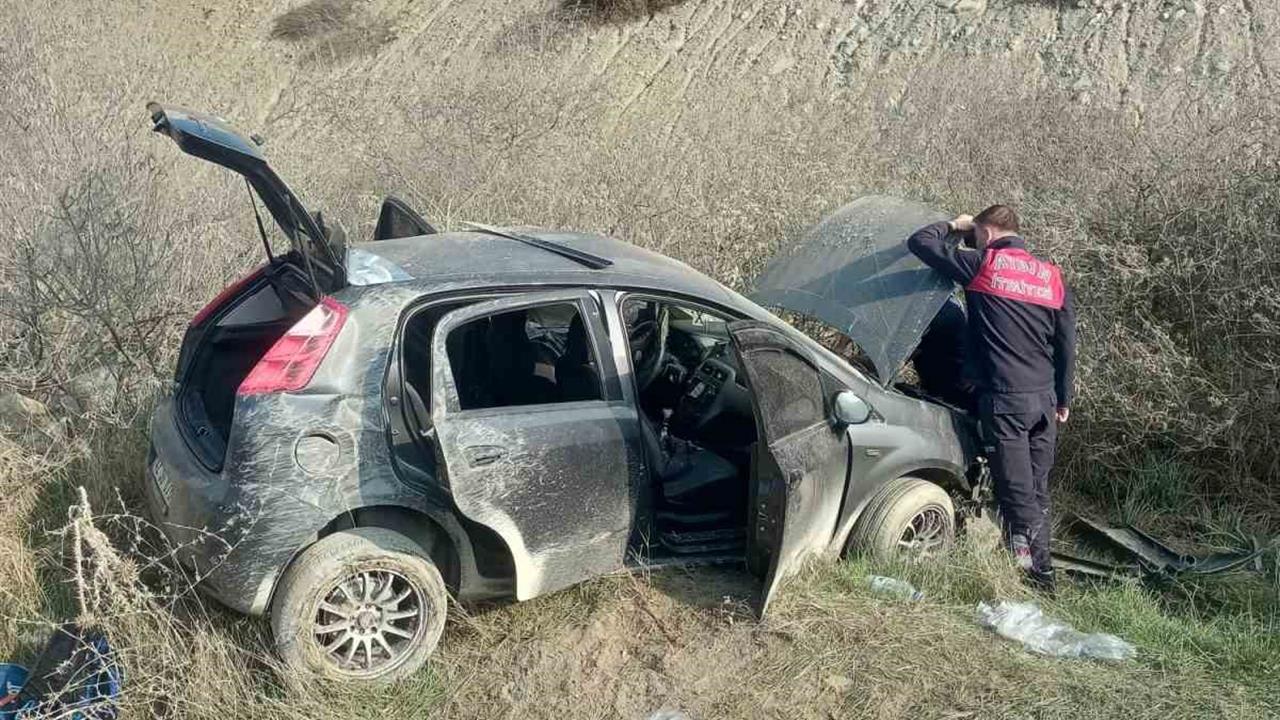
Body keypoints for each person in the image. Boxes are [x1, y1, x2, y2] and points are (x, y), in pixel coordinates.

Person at [906, 205, 1076, 590]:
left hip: (1006, 401)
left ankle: (1040, 577)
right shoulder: (1051, 277)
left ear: (987, 232)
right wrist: (1064, 397)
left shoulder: (983, 265)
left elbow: (920, 241)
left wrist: (956, 225)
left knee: (1016, 493)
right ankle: (1021, 558)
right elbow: (1066, 343)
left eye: (977, 234)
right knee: (1034, 488)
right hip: (1044, 401)